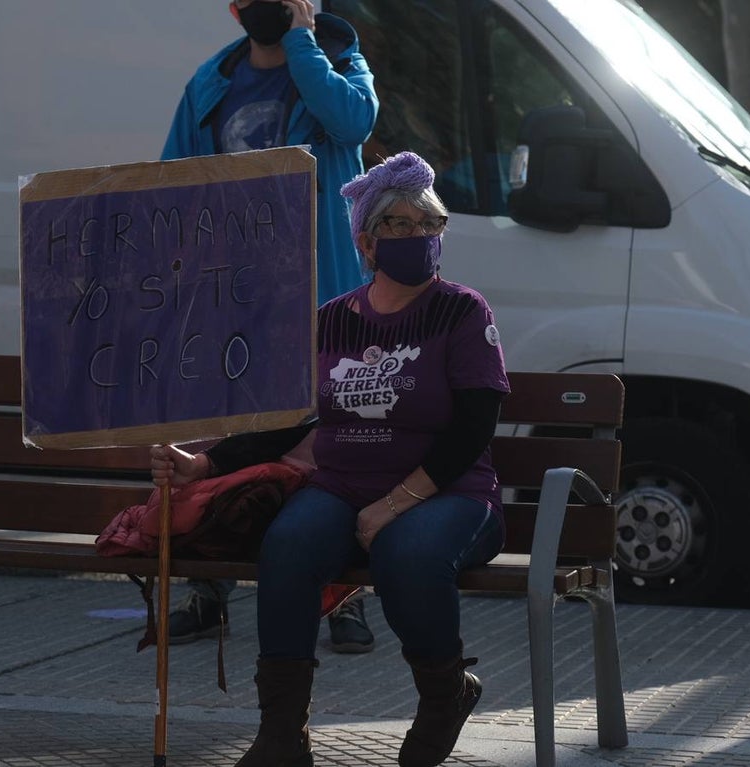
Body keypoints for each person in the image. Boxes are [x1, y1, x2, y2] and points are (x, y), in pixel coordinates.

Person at [151, 151, 509, 767]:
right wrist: (204, 465)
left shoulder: (461, 311)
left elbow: (475, 427)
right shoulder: (333, 320)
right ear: (367, 243)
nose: (417, 235)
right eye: (399, 224)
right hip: (341, 487)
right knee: (287, 547)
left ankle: (445, 696)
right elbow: (288, 420)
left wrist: (395, 505)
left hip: (447, 494)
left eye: (429, 224)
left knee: (409, 551)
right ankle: (282, 735)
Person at [159, 0, 380, 651]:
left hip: (329, 301)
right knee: (227, 444)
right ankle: (208, 588)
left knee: (334, 450)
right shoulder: (209, 86)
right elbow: (174, 189)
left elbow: (352, 119)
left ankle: (343, 594)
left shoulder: (339, 61)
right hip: (240, 304)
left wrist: (304, 42)